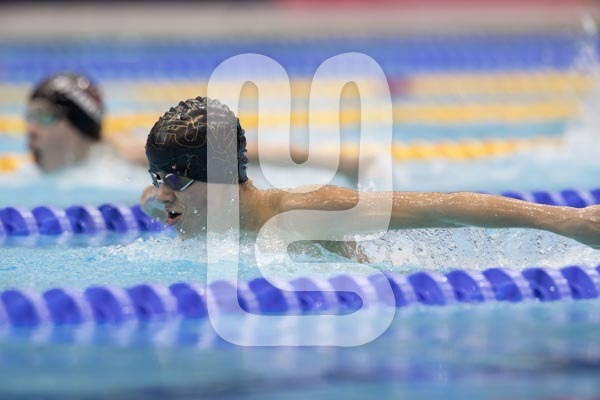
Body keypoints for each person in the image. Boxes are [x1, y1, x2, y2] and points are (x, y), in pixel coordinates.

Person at [141, 96, 600, 252]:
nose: (161, 195)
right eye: (157, 178)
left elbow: (444, 208)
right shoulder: (190, 215)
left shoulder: (301, 211)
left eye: (176, 179)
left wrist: (571, 220)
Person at [25, 72, 143, 173]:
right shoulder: (26, 173)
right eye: (30, 117)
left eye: (44, 117)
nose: (31, 130)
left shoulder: (118, 168)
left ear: (77, 124)